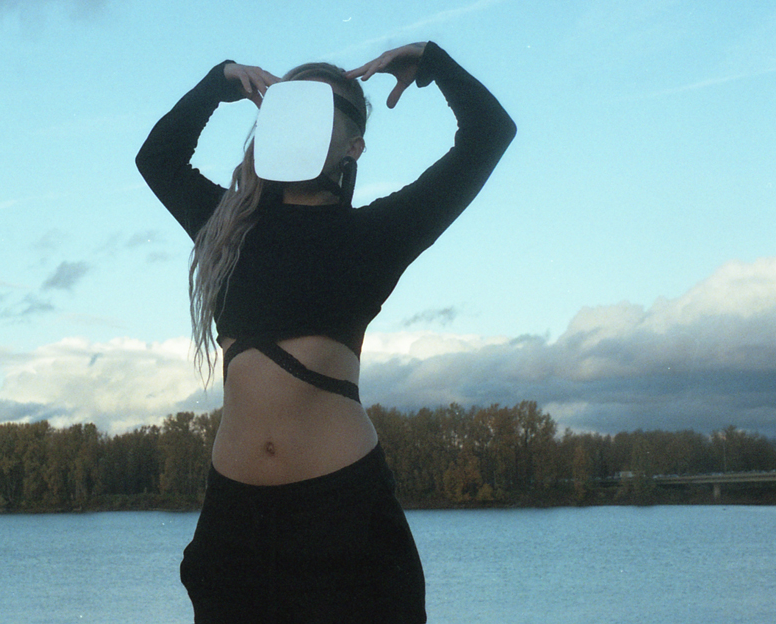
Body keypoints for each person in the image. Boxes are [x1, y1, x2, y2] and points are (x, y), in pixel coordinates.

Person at [137, 41, 516, 623]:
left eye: (324, 105)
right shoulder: (226, 227)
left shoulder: (377, 235)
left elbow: (488, 134)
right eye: (290, 102)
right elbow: (157, 158)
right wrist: (221, 81)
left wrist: (432, 62)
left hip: (343, 522)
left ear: (355, 144)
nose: (302, 115)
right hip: (235, 528)